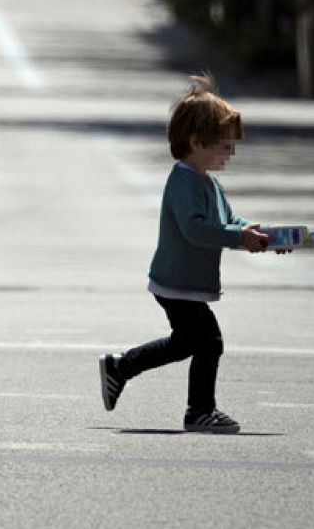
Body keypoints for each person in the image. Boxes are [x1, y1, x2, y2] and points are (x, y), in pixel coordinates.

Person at [97, 75, 287, 433]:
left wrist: (261, 235)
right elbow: (195, 229)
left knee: (185, 343)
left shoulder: (208, 182)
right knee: (209, 342)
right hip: (176, 280)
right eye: (224, 146)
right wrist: (237, 237)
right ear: (196, 142)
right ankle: (199, 410)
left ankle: (120, 367)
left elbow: (229, 220)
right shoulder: (184, 180)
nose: (230, 153)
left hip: (184, 281)